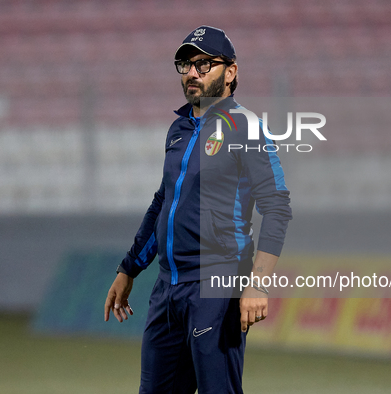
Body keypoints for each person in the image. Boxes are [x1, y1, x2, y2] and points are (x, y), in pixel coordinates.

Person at [104, 25, 292, 394]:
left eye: (204, 64)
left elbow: (277, 208)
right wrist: (129, 268)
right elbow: (164, 202)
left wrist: (258, 283)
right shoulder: (178, 130)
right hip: (167, 289)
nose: (192, 72)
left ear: (231, 72)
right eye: (186, 64)